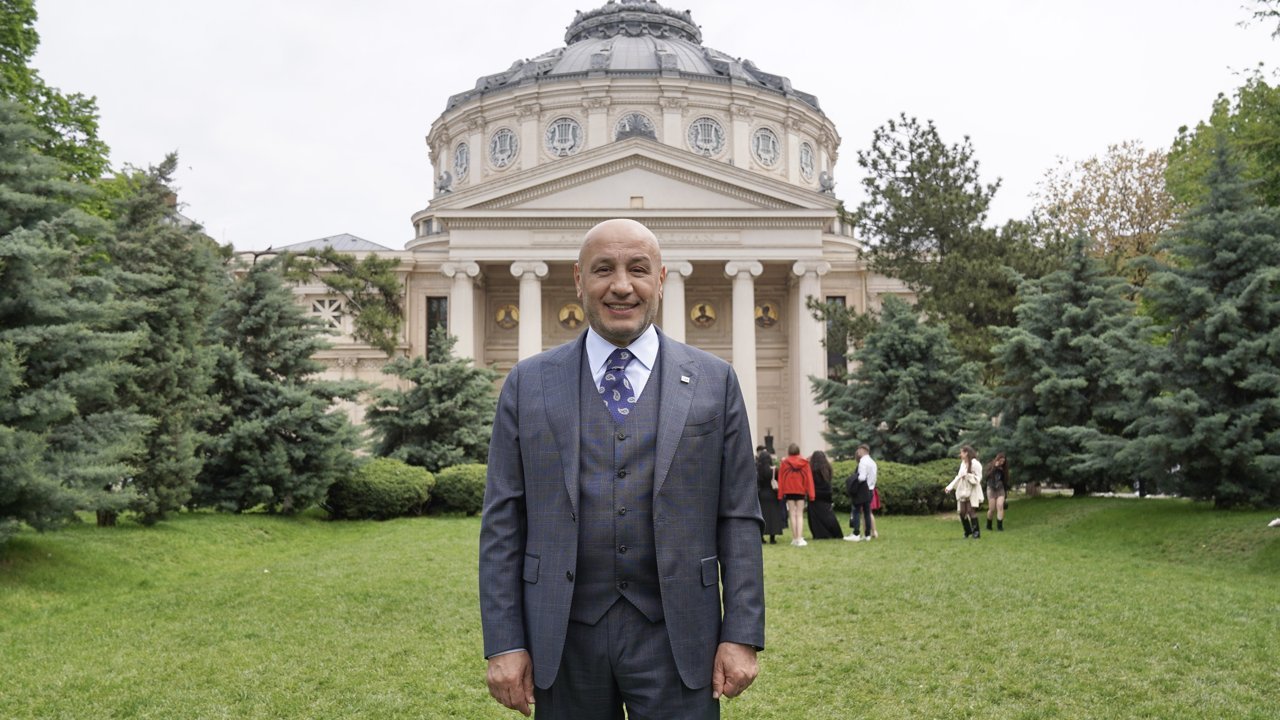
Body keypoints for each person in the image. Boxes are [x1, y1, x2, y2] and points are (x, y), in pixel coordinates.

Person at [479, 219, 764, 719]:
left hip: (680, 636)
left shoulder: (714, 381)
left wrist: (741, 633)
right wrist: (505, 642)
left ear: (661, 279)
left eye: (638, 269)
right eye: (603, 269)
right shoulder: (528, 383)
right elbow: (503, 521)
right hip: (561, 637)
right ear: (578, 280)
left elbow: (739, 516)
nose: (621, 285)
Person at [776, 443, 815, 547]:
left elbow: (781, 479)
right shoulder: (804, 463)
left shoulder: (784, 463)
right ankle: (799, 538)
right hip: (801, 490)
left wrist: (780, 494)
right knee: (799, 514)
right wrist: (811, 494)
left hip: (789, 491)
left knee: (792, 514)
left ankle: (794, 538)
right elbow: (809, 479)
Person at [944, 445, 984, 539]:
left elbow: (978, 478)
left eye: (961, 452)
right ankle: (967, 531)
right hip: (963, 489)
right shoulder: (963, 463)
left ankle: (976, 532)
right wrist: (950, 487)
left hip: (972, 489)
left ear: (966, 453)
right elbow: (958, 477)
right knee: (962, 511)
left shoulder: (975, 463)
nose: (960, 454)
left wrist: (968, 476)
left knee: (970, 510)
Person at [806, 450, 844, 539]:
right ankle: (834, 532)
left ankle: (820, 533)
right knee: (827, 514)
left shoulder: (812, 469)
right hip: (826, 494)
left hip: (815, 494)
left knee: (815, 516)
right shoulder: (827, 468)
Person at [844, 444, 876, 542]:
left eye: (858, 450)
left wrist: (853, 480)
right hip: (870, 490)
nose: (857, 453)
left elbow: (862, 477)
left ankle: (856, 534)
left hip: (862, 490)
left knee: (856, 511)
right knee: (867, 512)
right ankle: (867, 535)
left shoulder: (862, 462)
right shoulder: (872, 462)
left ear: (862, 450)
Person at [756, 445, 785, 544]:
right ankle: (772, 538)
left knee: (763, 516)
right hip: (772, 494)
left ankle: (761, 537)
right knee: (773, 516)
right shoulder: (774, 470)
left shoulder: (757, 469)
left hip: (761, 494)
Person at [986, 451, 1009, 531]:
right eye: (1000, 461)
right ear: (997, 459)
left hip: (1000, 488)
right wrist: (994, 468)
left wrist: (1005, 493)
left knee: (1000, 506)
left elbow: (1005, 480)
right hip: (991, 488)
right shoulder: (990, 466)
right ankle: (989, 525)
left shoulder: (1003, 469)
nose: (1001, 463)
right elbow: (987, 476)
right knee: (992, 509)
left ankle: (1000, 526)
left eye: (1003, 461)